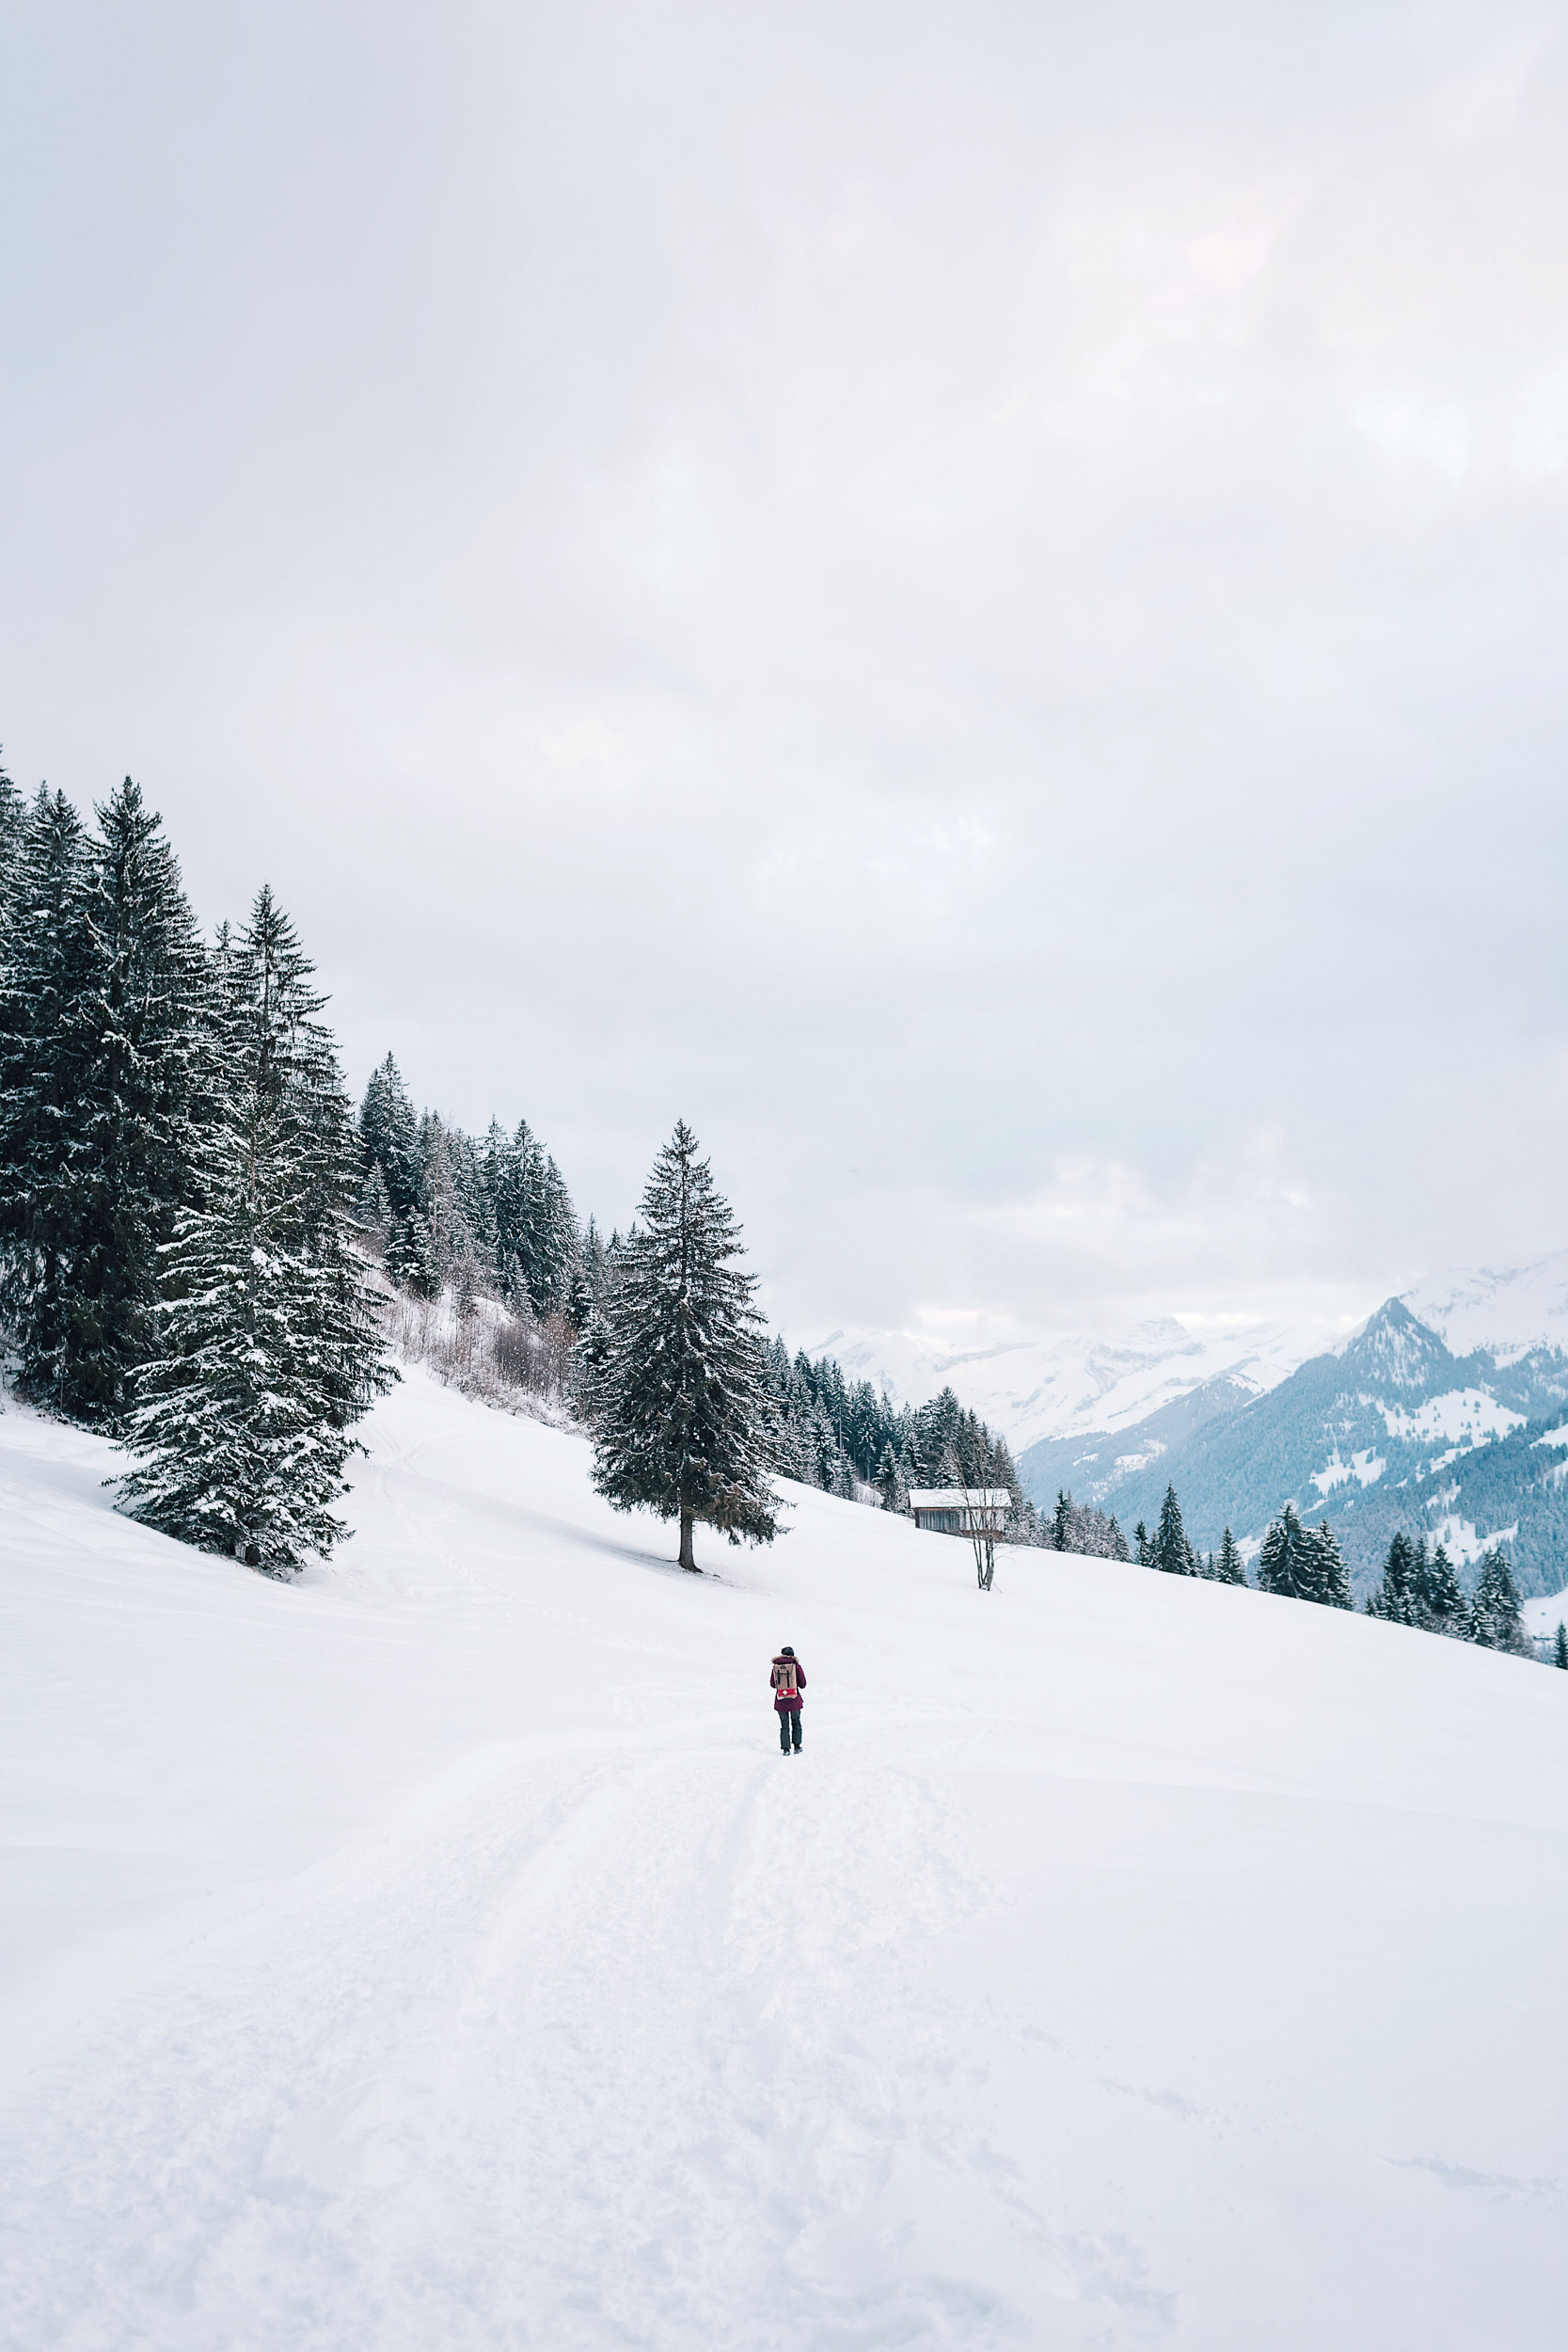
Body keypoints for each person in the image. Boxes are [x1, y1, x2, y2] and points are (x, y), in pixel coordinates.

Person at [770, 1645, 806, 1753]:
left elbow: (773, 1684)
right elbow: (803, 1684)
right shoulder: (796, 1666)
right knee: (796, 1722)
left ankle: (786, 1749)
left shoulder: (776, 1666)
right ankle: (797, 1746)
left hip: (781, 1700)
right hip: (794, 1700)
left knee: (784, 1725)